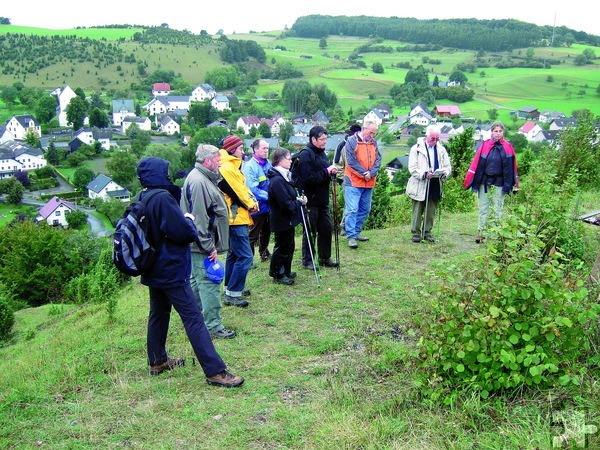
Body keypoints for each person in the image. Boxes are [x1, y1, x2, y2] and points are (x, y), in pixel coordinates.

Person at [136, 156, 243, 387]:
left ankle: (157, 361)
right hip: (171, 269)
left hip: (152, 266)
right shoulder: (163, 198)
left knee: (159, 313)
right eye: (165, 171)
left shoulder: (143, 196)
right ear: (159, 174)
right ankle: (215, 371)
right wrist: (188, 221)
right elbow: (184, 232)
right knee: (194, 319)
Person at [180, 144, 235, 340]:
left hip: (199, 244)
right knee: (210, 281)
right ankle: (213, 326)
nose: (220, 162)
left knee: (196, 282)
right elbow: (199, 219)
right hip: (202, 245)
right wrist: (209, 246)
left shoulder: (201, 178)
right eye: (218, 159)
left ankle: (192, 320)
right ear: (208, 161)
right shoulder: (199, 182)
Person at [218, 135, 258, 306]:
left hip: (236, 216)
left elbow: (244, 188)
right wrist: (252, 205)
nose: (243, 151)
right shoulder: (228, 167)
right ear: (233, 149)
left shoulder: (232, 165)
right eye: (241, 148)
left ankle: (230, 288)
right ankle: (233, 293)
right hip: (235, 217)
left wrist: (252, 200)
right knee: (245, 256)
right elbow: (238, 192)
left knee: (234, 254)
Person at [464, 120, 519, 243]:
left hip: (500, 182)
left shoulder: (508, 147)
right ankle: (481, 232)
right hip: (485, 182)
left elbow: (513, 167)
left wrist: (513, 184)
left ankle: (495, 234)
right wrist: (470, 180)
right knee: (483, 208)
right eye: (495, 131)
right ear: (492, 132)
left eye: (500, 131)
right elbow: (476, 163)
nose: (498, 133)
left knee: (497, 208)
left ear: (503, 132)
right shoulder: (485, 145)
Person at [296, 125, 339, 270]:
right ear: (313, 139)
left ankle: (324, 257)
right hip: (310, 200)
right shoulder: (305, 155)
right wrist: (326, 172)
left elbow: (322, 172)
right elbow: (308, 178)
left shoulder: (321, 153)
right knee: (310, 230)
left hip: (322, 199)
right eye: (322, 139)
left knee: (326, 228)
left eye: (326, 139)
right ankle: (308, 260)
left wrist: (331, 172)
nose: (324, 142)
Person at [266, 148, 307, 285]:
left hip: (287, 219)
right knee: (282, 246)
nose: (290, 161)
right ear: (280, 160)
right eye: (288, 158)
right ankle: (278, 273)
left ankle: (286, 270)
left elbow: (289, 197)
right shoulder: (277, 180)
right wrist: (298, 202)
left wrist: (297, 200)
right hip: (281, 219)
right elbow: (285, 203)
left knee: (289, 245)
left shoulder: (284, 176)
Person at [406, 125, 452, 243]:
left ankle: (427, 232)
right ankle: (416, 233)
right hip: (420, 183)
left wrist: (444, 173)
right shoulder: (415, 148)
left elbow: (447, 166)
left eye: (437, 139)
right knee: (418, 208)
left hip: (435, 182)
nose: (435, 141)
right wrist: (424, 174)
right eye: (433, 139)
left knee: (431, 209)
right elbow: (412, 168)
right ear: (426, 136)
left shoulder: (441, 149)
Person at [342, 120, 382, 249]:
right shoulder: (351, 141)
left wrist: (372, 172)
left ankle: (357, 231)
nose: (372, 135)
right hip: (353, 182)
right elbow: (350, 162)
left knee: (365, 209)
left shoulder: (373, 142)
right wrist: (364, 173)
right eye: (371, 132)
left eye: (374, 133)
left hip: (369, 182)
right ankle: (351, 236)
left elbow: (378, 159)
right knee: (352, 209)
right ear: (364, 129)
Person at [242, 138, 272, 262]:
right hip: (257, 206)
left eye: (267, 148)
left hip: (268, 206)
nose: (266, 151)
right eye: (264, 148)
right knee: (253, 234)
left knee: (267, 230)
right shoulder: (249, 166)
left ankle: (264, 253)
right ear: (255, 149)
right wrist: (271, 196)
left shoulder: (267, 163)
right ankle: (249, 259)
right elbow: (253, 189)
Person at [333, 123, 362, 236]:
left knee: (353, 204)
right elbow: (337, 164)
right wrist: (344, 178)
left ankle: (348, 226)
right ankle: (344, 226)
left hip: (355, 178)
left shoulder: (354, 145)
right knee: (350, 204)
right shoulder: (343, 146)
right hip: (347, 179)